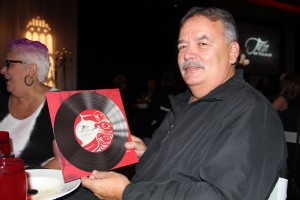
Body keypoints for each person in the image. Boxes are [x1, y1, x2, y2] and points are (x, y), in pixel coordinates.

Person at [81, 7, 287, 199]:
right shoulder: (184, 103)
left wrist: (126, 193)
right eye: (182, 46)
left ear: (233, 52)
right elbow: (182, 164)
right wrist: (149, 152)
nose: (188, 54)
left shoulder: (253, 112)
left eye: (202, 43)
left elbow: (221, 196)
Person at [0, 38, 60, 169]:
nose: (3, 70)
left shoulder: (62, 104)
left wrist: (21, 181)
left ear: (31, 69)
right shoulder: (1, 103)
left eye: (9, 64)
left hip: (46, 186)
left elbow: (66, 162)